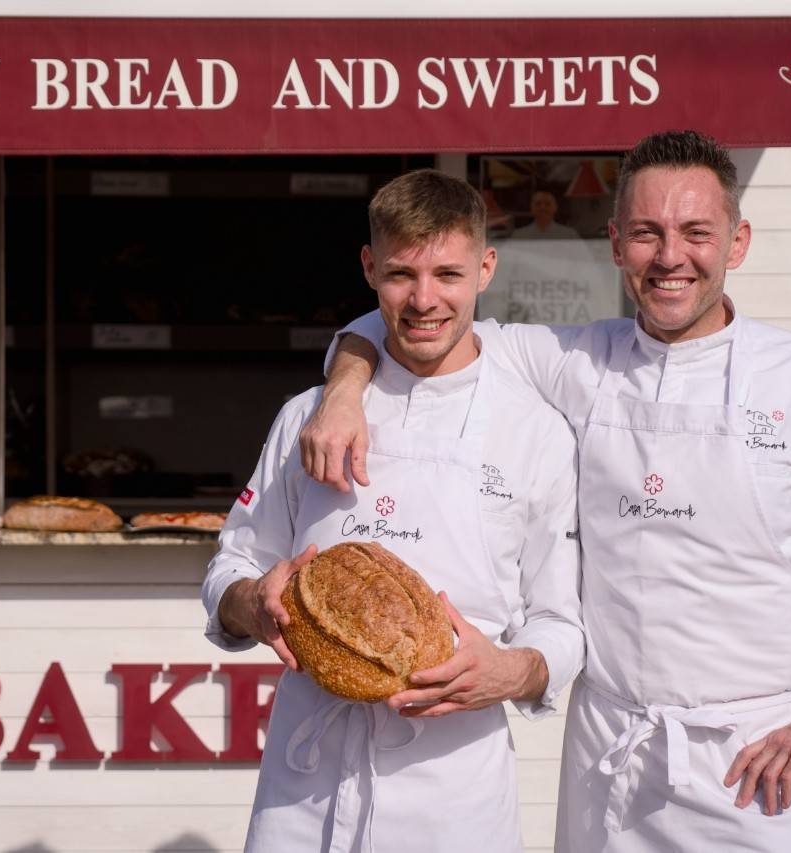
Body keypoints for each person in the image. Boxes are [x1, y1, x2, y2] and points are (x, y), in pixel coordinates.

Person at [300, 130, 791, 852]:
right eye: (647, 233)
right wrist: (344, 391)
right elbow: (414, 316)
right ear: (615, 241)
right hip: (607, 759)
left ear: (737, 241)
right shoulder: (574, 359)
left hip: (755, 767)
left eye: (696, 232)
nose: (669, 257)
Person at [202, 169, 587, 853]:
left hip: (452, 793)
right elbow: (232, 561)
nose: (424, 299)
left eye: (448, 273)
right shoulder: (307, 419)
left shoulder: (535, 432)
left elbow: (561, 619)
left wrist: (513, 671)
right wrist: (250, 603)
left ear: (486, 268)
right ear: (368, 267)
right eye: (401, 275)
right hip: (305, 787)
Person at [513, 189, 581, 240]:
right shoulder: (519, 235)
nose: (542, 207)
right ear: (531, 207)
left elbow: (581, 258)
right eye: (538, 204)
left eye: (548, 204)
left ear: (555, 208)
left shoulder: (569, 235)